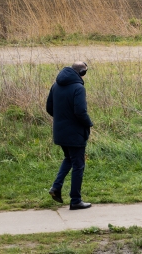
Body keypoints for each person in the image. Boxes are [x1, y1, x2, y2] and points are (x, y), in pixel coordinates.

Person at [46, 61, 94, 210]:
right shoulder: (78, 88)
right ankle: (75, 200)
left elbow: (49, 108)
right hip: (75, 133)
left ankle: (56, 187)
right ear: (81, 73)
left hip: (60, 131)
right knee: (78, 165)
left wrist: (62, 119)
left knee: (69, 159)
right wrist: (88, 124)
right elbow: (80, 111)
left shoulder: (56, 85)